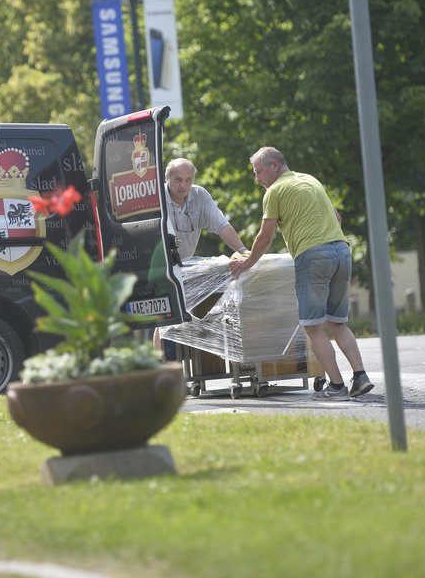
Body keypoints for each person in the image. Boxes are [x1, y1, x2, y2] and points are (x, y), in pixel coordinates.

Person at [230, 146, 374, 400]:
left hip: (313, 256)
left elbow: (265, 237)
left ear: (275, 165)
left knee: (313, 327)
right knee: (337, 322)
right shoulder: (310, 179)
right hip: (341, 250)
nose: (257, 179)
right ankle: (360, 376)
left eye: (259, 172)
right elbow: (337, 218)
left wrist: (247, 263)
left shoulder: (274, 191)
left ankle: (337, 386)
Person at [155, 158, 250, 356]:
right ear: (166, 179)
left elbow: (222, 226)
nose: (184, 185)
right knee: (164, 316)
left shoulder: (200, 195)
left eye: (188, 180)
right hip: (161, 266)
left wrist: (243, 251)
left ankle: (204, 357)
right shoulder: (156, 198)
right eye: (178, 180)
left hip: (187, 265)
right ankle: (160, 365)